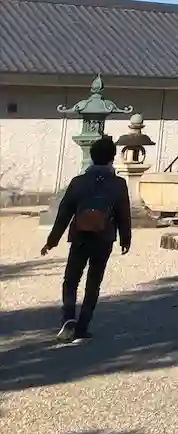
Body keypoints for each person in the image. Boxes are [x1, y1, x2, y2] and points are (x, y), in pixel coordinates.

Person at [40, 136, 132, 344]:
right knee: (93, 281)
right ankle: (83, 326)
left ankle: (68, 319)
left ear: (92, 156)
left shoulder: (78, 182)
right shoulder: (118, 184)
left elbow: (64, 213)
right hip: (104, 237)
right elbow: (124, 214)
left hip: (80, 235)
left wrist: (52, 241)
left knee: (71, 279)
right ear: (112, 158)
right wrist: (125, 239)